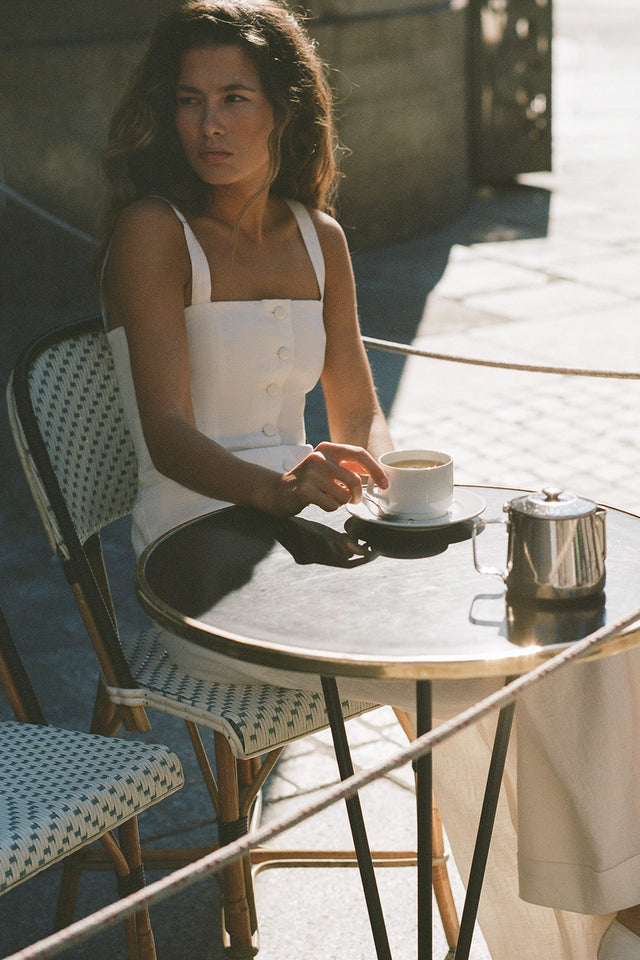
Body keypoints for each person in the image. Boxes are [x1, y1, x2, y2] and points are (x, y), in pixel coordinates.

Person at [99, 2, 640, 958]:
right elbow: (169, 435)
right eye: (189, 101)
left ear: (285, 109)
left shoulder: (320, 238)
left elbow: (358, 413)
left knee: (566, 641)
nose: (209, 126)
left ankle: (611, 906)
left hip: (306, 538)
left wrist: (385, 482)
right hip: (200, 562)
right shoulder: (154, 231)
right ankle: (558, 933)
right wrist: (279, 490)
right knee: (463, 682)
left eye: (234, 98)